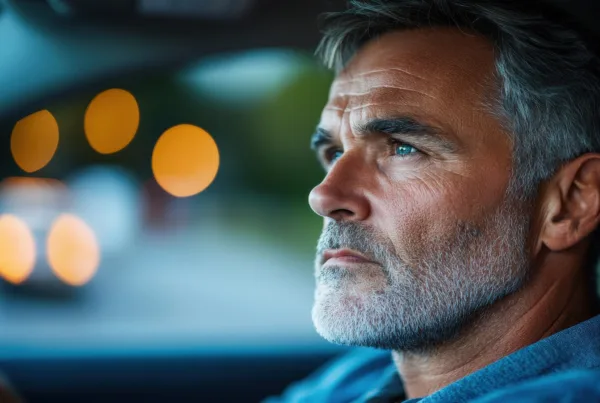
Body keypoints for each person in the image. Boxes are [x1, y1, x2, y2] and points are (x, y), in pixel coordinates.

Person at [266, 0, 600, 402]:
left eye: (403, 148)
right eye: (335, 153)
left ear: (570, 203)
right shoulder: (353, 378)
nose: (323, 196)